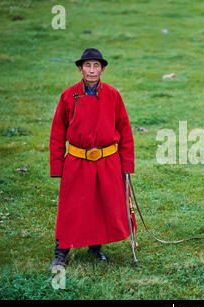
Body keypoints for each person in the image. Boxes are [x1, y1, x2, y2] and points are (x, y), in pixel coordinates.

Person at [49, 48, 135, 269]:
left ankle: (95, 247)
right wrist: (57, 165)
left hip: (107, 160)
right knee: (72, 207)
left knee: (100, 205)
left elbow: (124, 130)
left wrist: (126, 165)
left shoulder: (113, 95)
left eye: (96, 66)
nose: (92, 70)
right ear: (80, 69)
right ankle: (62, 251)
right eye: (87, 65)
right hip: (77, 161)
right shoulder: (68, 96)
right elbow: (58, 132)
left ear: (103, 69)